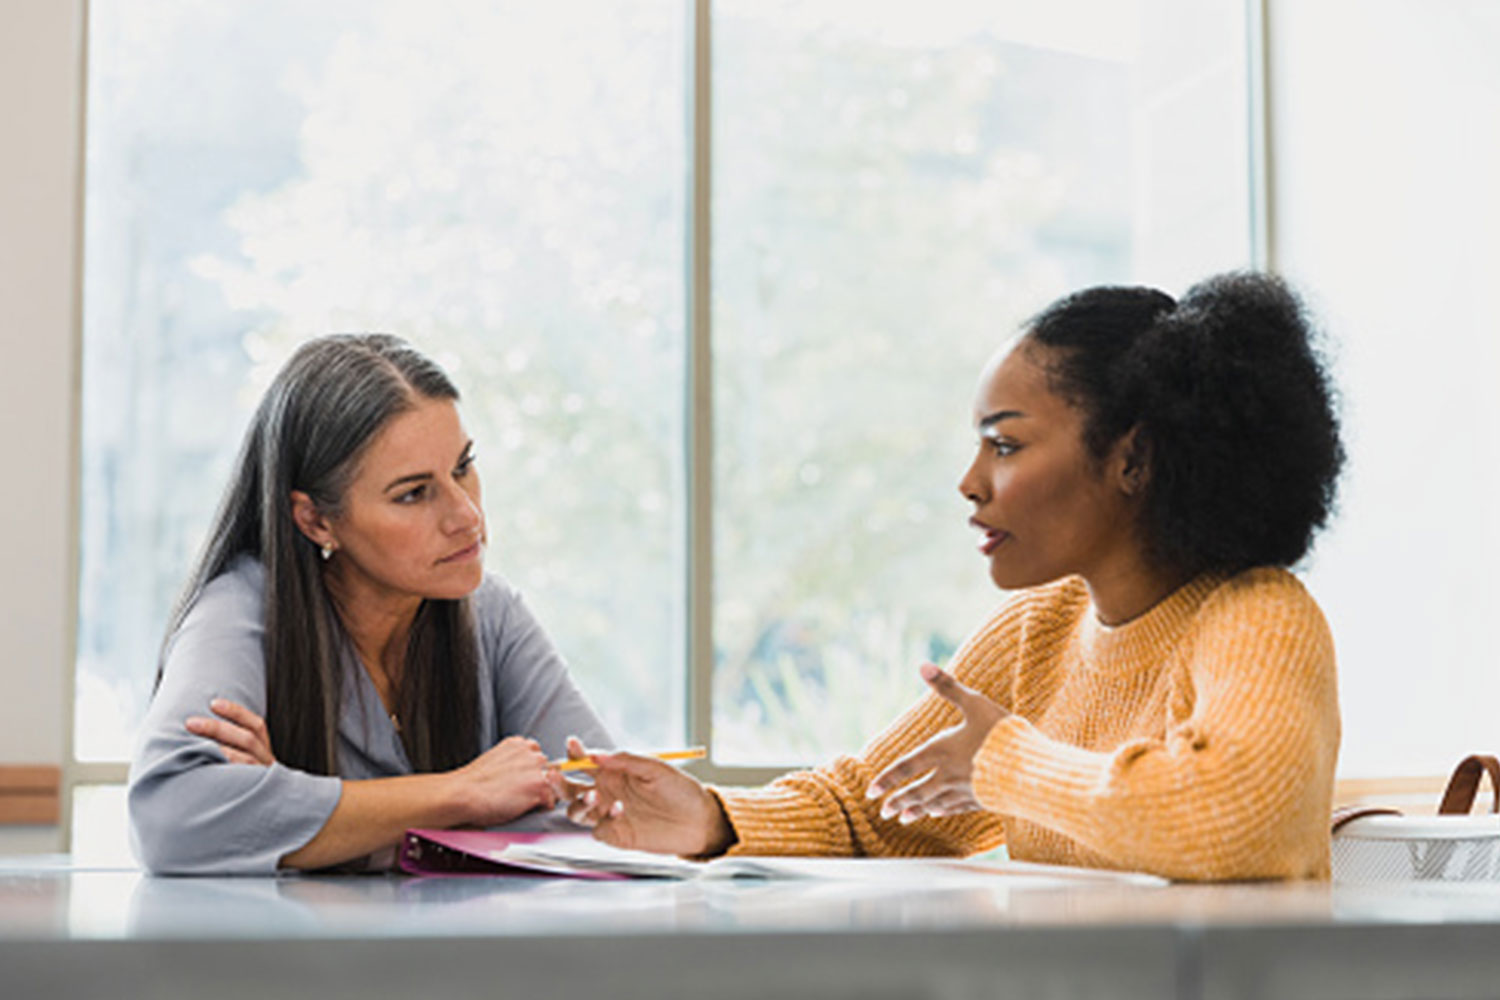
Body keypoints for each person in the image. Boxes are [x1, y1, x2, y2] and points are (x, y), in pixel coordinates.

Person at [569, 271, 1345, 881]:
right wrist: (712, 818)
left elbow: (1235, 818)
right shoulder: (1037, 630)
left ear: (1132, 458)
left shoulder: (1258, 615)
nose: (970, 482)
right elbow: (873, 811)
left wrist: (1002, 762)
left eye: (1004, 446)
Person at [128, 334, 611, 874]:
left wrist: (293, 814)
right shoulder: (241, 610)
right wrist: (461, 794)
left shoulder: (491, 614)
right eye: (413, 493)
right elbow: (171, 819)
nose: (466, 516)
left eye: (462, 467)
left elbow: (599, 811)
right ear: (315, 519)